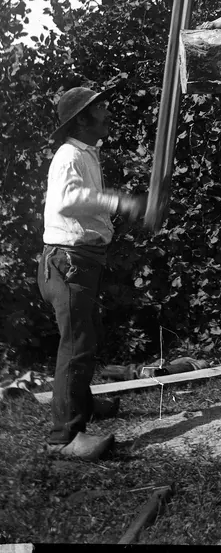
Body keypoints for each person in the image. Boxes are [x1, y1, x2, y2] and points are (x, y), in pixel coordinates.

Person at [39, 85, 146, 461]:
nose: (108, 111)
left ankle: (83, 406)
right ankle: (64, 438)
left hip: (79, 261)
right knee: (76, 348)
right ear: (82, 119)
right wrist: (120, 202)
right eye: (99, 107)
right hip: (69, 263)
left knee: (84, 339)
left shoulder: (85, 154)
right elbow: (68, 202)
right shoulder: (69, 155)